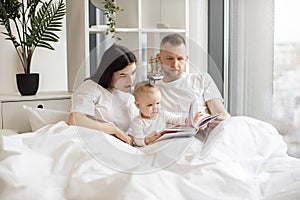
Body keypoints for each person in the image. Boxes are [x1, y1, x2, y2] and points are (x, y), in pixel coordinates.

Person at [156, 34, 231, 129]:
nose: (175, 64)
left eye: (180, 59)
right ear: (159, 58)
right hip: (175, 139)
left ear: (186, 59)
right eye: (169, 58)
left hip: (206, 136)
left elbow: (221, 114)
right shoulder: (153, 90)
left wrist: (220, 120)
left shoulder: (201, 79)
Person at [68, 44, 139, 145]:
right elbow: (75, 119)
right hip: (91, 141)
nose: (130, 80)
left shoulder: (129, 97)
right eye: (123, 75)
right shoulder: (91, 87)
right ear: (109, 73)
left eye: (133, 73)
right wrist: (115, 130)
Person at [130, 82, 203, 146]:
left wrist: (191, 120)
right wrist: (147, 140)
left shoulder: (162, 114)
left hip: (164, 143)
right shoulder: (138, 122)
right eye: (150, 105)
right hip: (150, 146)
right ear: (138, 105)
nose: (155, 108)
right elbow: (137, 140)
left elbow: (176, 119)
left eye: (158, 103)